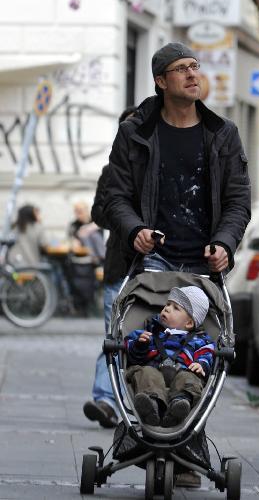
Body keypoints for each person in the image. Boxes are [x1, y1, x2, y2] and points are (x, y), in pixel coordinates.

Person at [106, 41, 251, 278]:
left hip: (205, 263)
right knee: (136, 317)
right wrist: (136, 230)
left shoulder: (223, 133)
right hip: (151, 261)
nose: (192, 74)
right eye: (181, 69)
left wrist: (224, 244)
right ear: (161, 81)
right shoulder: (134, 133)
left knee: (214, 317)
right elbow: (115, 197)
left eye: (194, 66)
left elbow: (238, 200)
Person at [83, 105, 138, 430]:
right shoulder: (111, 172)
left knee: (148, 341)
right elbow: (97, 213)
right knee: (115, 336)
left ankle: (144, 405)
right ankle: (105, 400)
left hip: (157, 270)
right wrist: (124, 217)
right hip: (119, 266)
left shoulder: (164, 168)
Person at [125, 285, 215, 427]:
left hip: (182, 373)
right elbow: (130, 350)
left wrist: (201, 364)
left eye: (175, 308)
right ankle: (151, 406)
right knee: (145, 372)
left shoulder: (200, 340)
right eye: (168, 304)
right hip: (153, 372)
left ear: (189, 323)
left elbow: (207, 353)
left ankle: (178, 406)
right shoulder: (150, 331)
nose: (167, 308)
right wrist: (139, 345)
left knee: (189, 378)